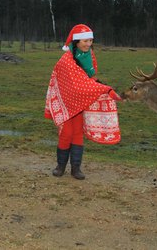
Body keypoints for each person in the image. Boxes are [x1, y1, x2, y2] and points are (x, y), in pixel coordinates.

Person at [44, 24, 122, 180]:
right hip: (66, 101)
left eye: (90, 40)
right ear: (77, 41)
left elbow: (89, 79)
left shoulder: (89, 55)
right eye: (85, 41)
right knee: (66, 133)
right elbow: (77, 82)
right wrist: (105, 89)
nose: (88, 44)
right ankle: (60, 166)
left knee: (78, 133)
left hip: (81, 99)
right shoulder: (66, 60)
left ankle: (76, 168)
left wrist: (103, 89)